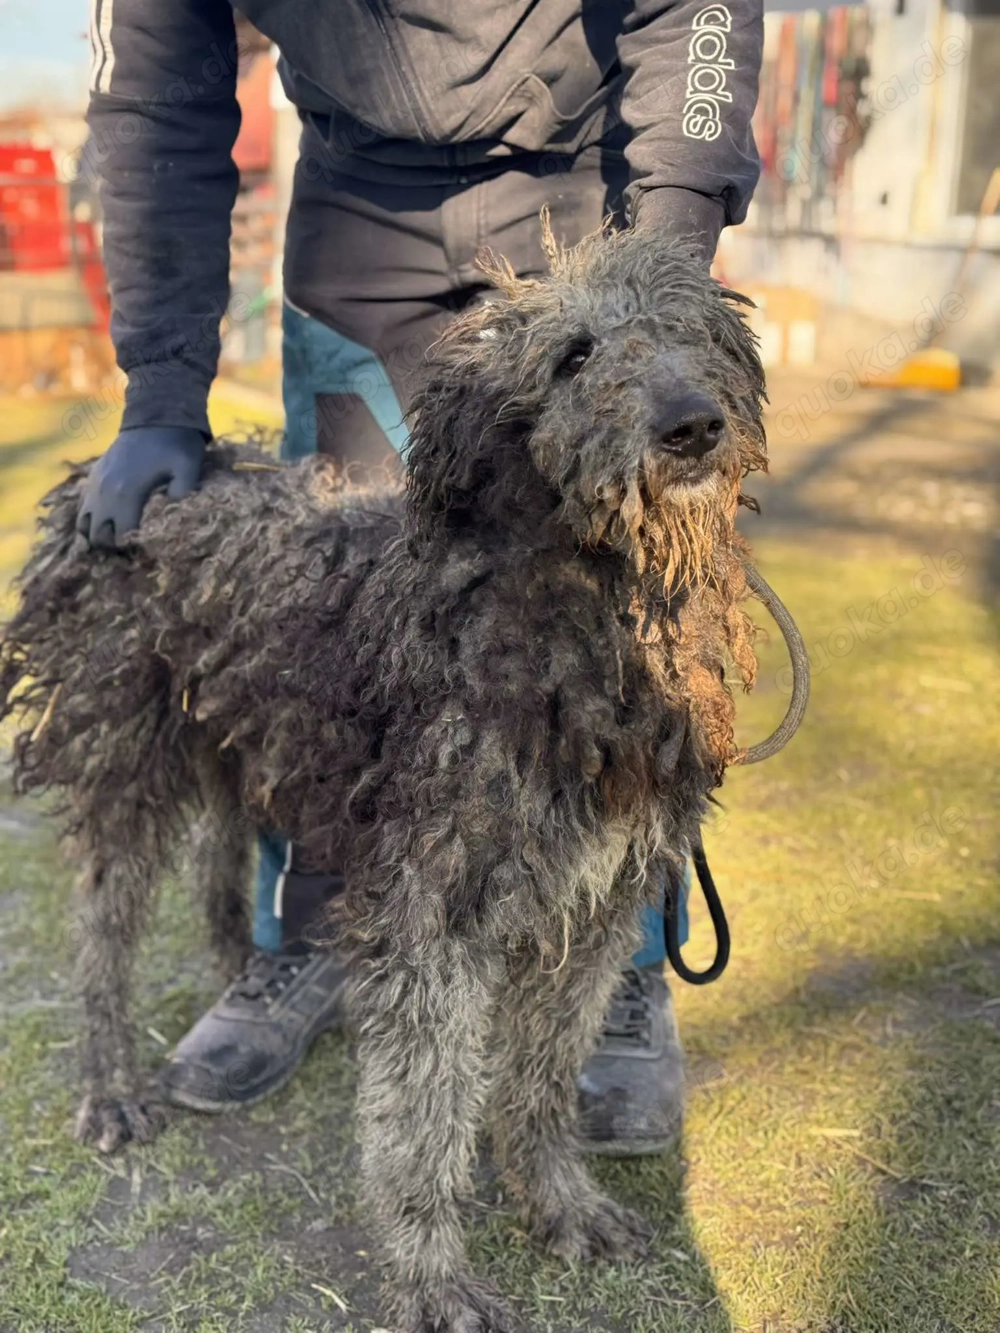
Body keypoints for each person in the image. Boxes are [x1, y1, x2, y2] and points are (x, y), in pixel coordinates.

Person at [78, 0, 763, 1154]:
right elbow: (155, 90)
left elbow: (693, 12)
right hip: (362, 228)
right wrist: (158, 394)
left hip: (586, 210)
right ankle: (314, 931)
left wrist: (664, 261)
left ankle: (622, 974)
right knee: (330, 642)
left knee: (629, 638)